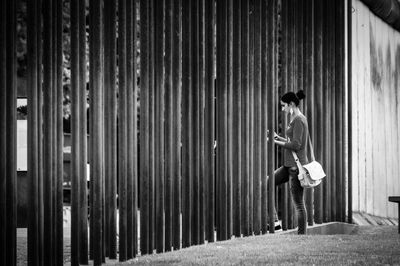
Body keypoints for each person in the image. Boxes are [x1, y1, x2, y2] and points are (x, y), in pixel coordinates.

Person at [271, 90, 309, 234]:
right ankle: (274, 222)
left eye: (283, 106)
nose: (283, 109)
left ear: (291, 104)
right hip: (288, 166)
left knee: (298, 203)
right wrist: (278, 138)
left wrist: (275, 142)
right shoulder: (294, 119)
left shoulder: (299, 119)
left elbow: (296, 145)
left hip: (295, 168)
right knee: (268, 183)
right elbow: (290, 141)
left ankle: (301, 235)